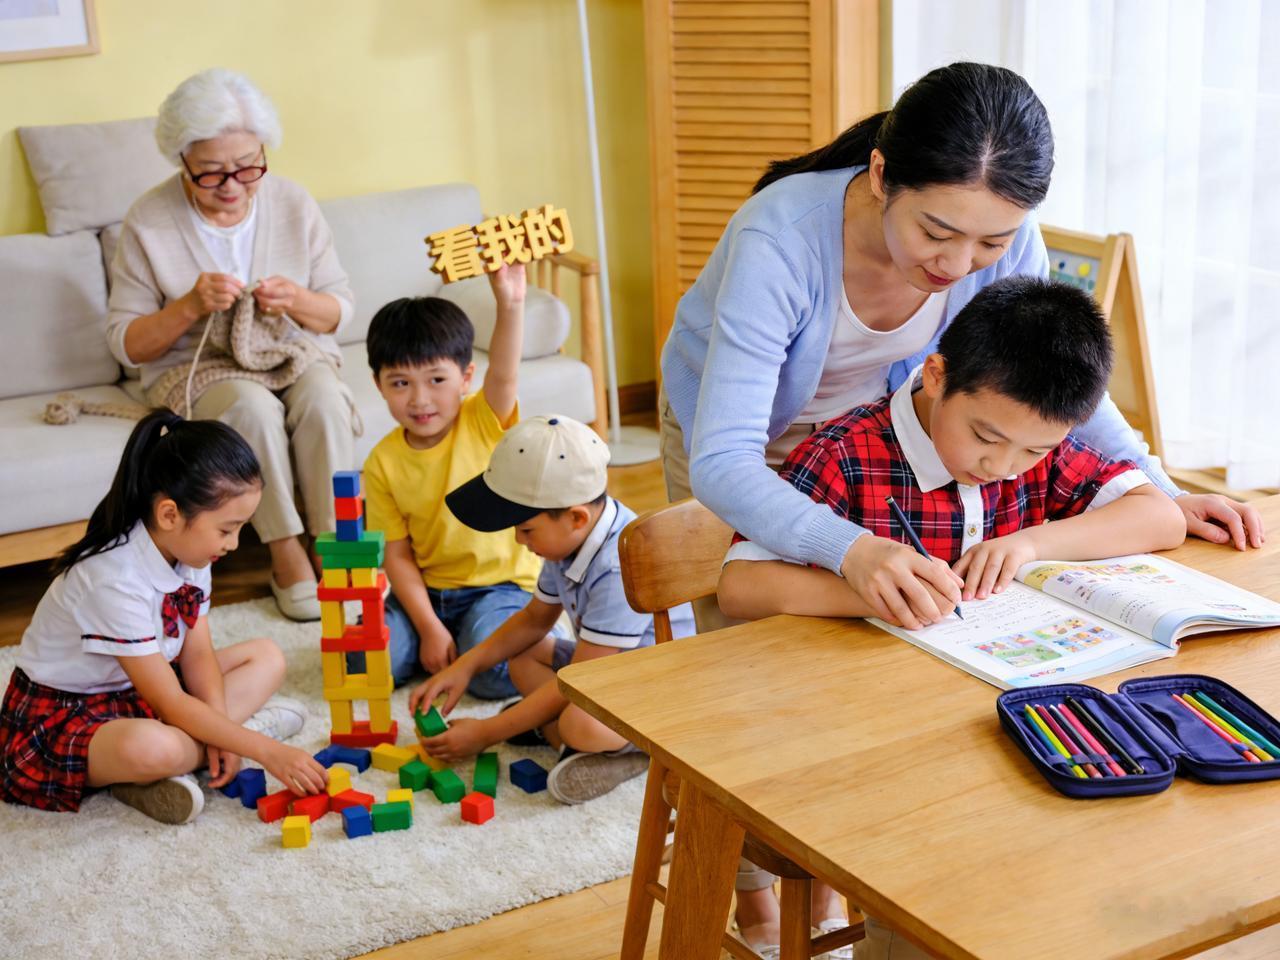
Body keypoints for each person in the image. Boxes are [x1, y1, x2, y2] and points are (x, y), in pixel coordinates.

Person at [661, 61, 1261, 637]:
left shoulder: (1014, 239)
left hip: (871, 429)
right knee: (745, 642)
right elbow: (725, 460)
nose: (956, 265)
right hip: (737, 431)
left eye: (990, 243)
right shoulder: (780, 240)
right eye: (935, 232)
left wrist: (1164, 490)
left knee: (873, 625)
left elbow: (1053, 383)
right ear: (879, 175)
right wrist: (849, 549)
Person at [717, 277, 1186, 959]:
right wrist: (867, 590)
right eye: (985, 437)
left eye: (1033, 452)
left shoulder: (1032, 450)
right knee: (919, 882)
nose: (1002, 467)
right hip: (852, 724)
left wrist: (1029, 543)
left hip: (979, 721)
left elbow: (1162, 515)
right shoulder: (843, 455)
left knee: (1061, 836)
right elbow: (739, 587)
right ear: (935, 375)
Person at [106, 68, 357, 622]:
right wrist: (188, 307)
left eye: (248, 167)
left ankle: (339, 552)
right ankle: (286, 553)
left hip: (290, 348)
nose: (233, 185)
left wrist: (295, 299)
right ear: (181, 161)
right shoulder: (149, 219)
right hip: (200, 369)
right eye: (212, 173)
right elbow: (127, 344)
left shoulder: (292, 202)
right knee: (252, 409)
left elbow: (339, 309)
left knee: (323, 399)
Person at [0, 411, 327, 825]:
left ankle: (193, 753)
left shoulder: (191, 552)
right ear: (170, 515)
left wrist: (217, 723)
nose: (234, 544)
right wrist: (265, 749)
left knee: (266, 656)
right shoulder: (111, 578)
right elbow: (169, 701)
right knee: (158, 749)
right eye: (227, 530)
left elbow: (198, 658)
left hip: (137, 689)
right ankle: (221, 744)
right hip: (65, 713)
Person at [408, 415, 694, 804]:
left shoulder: (618, 566)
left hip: (657, 691)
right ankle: (551, 726)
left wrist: (489, 731)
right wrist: (466, 666)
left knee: (579, 725)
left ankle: (638, 754)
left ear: (576, 517)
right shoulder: (568, 540)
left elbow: (580, 679)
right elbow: (533, 621)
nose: (518, 541)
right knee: (520, 658)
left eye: (525, 530)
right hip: (606, 668)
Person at [358, 265, 544, 695]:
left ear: (465, 378)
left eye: (437, 380)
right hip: (428, 595)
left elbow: (505, 373)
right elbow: (398, 555)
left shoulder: (482, 418)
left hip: (499, 589)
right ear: (379, 385)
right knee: (369, 665)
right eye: (400, 383)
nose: (420, 399)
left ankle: (496, 648)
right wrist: (427, 627)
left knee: (491, 672)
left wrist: (510, 304)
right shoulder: (382, 461)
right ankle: (453, 646)